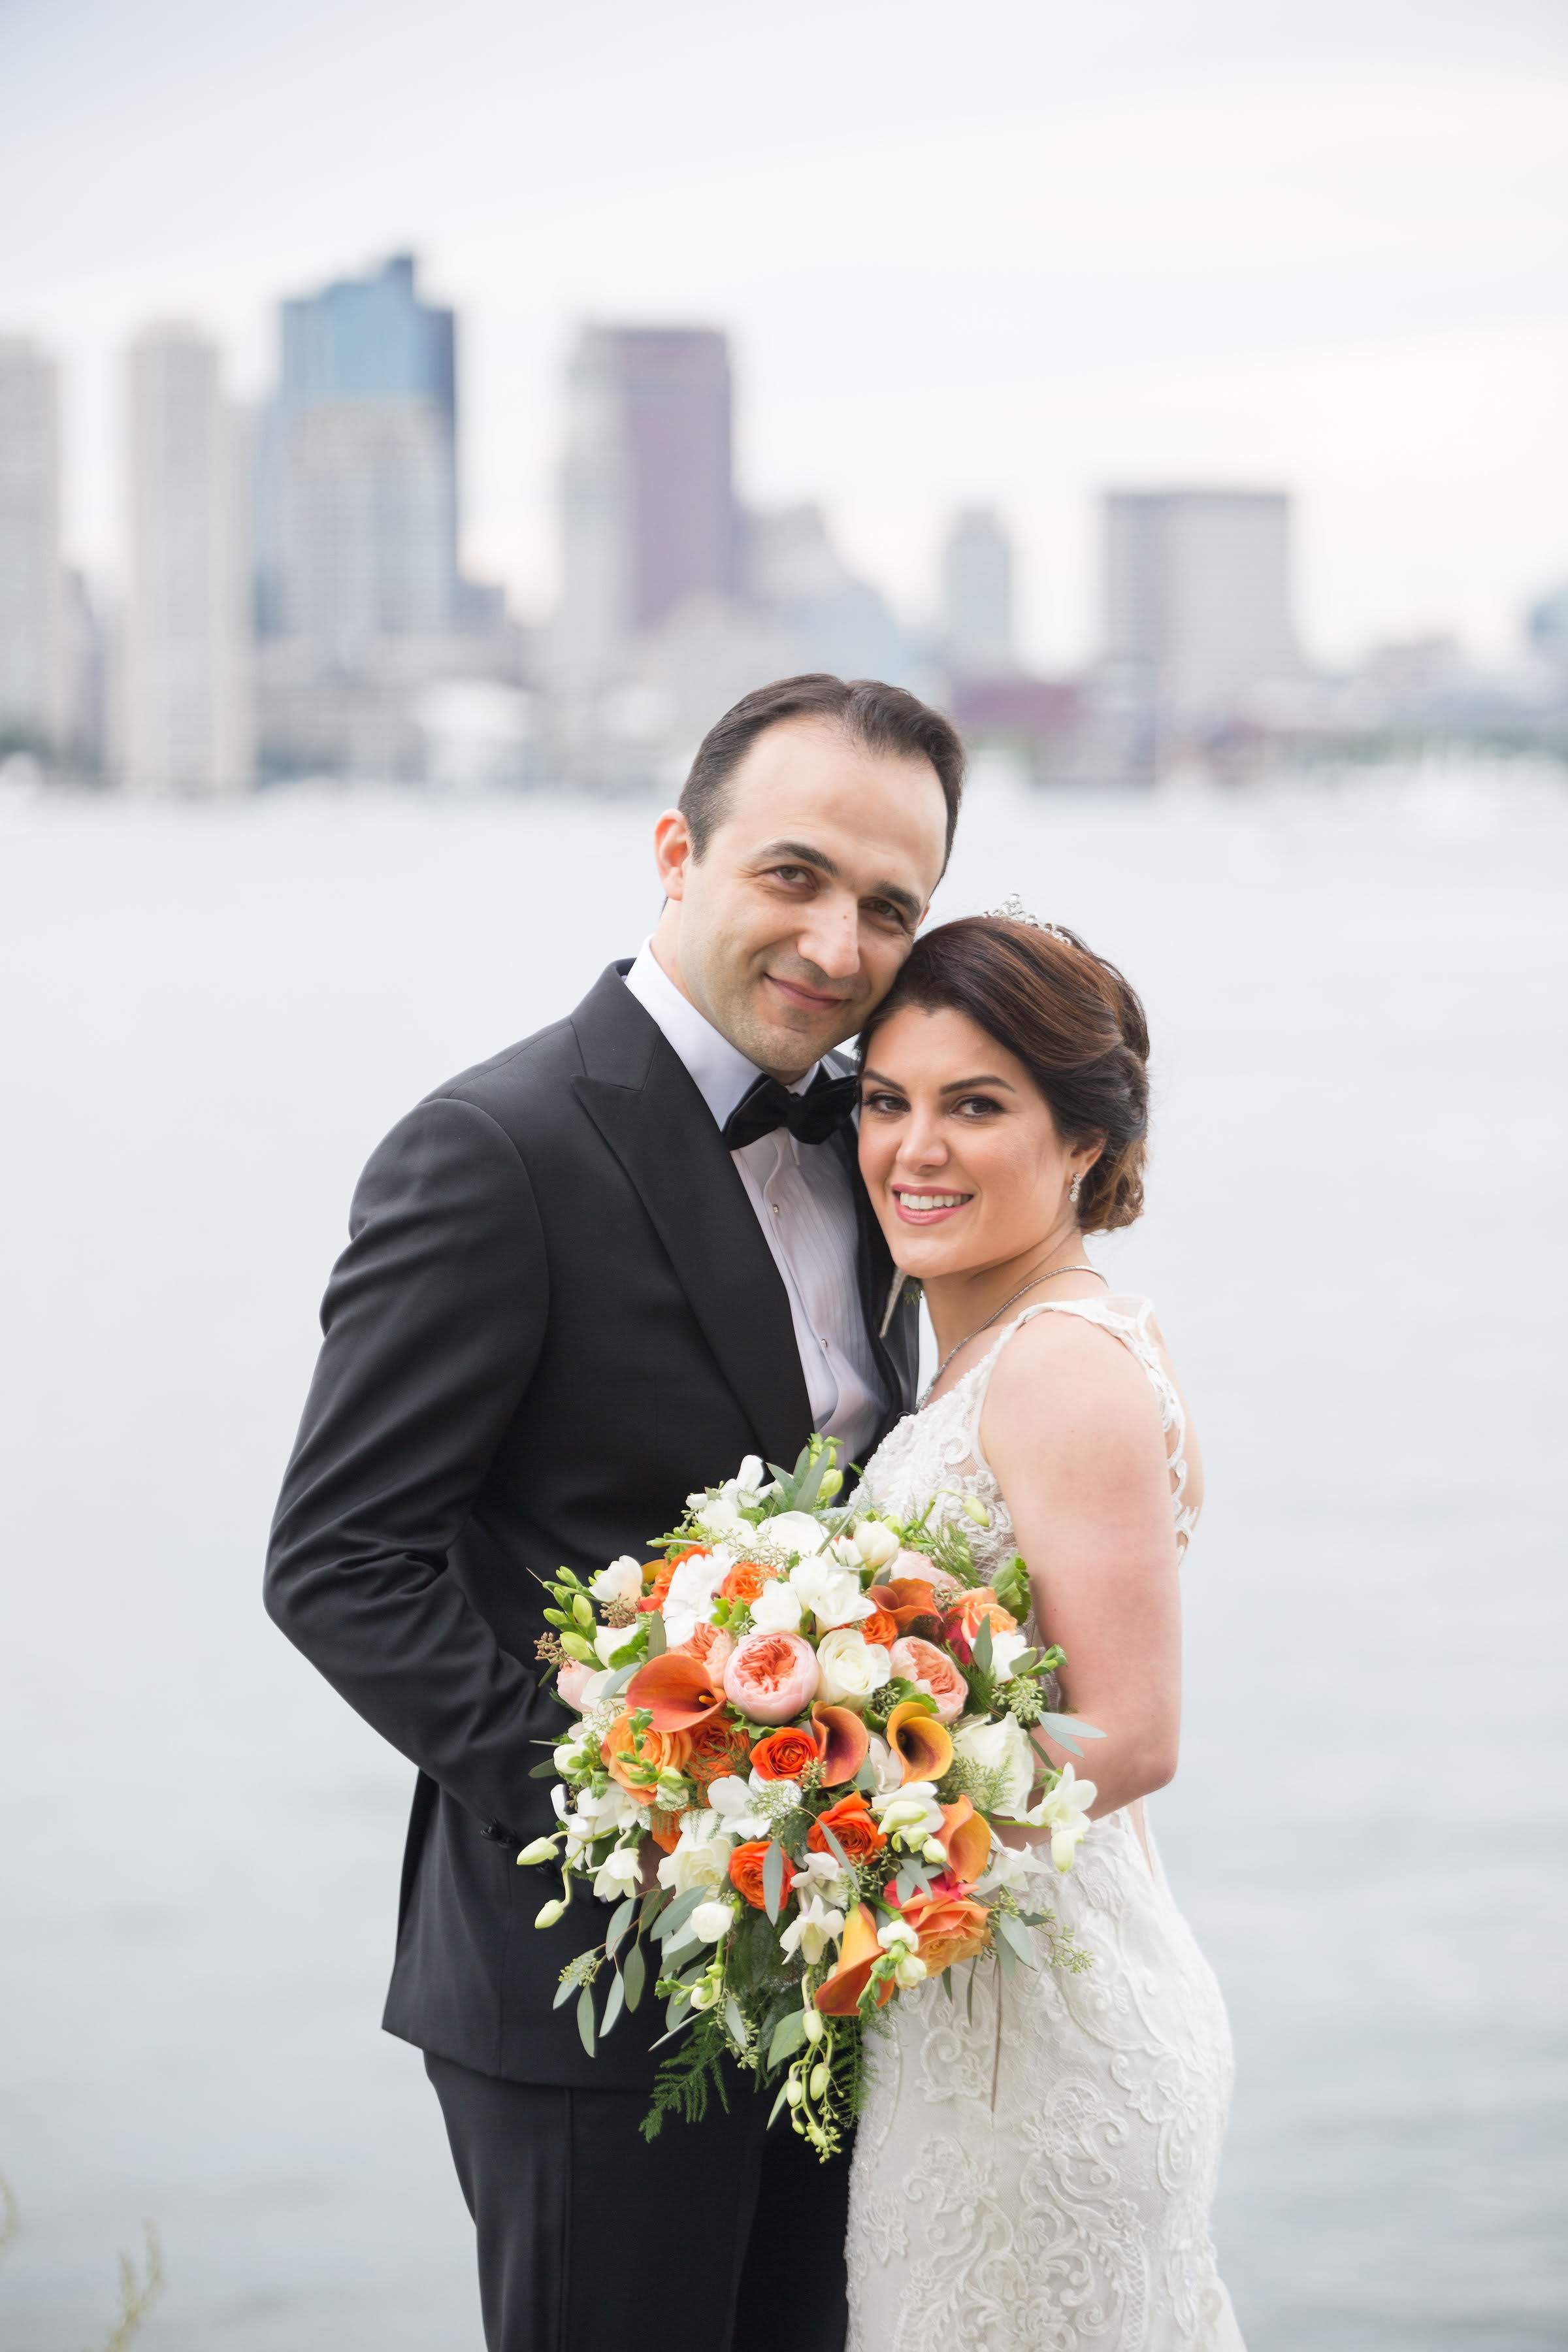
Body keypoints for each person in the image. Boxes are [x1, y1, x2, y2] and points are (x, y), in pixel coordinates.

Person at [262, 674, 960, 2352]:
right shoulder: (492, 1149)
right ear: (676, 853)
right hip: (578, 1980)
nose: (839, 944)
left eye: (889, 908)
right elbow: (340, 1561)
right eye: (793, 875)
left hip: (825, 1967)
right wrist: (636, 1812)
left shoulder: (881, 1141)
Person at [845, 907, 1245, 2351]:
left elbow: (1131, 1736)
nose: (915, 1149)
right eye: (887, 1102)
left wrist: (838, 1810)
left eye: (976, 1106)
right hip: (985, 2024)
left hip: (1045, 2064)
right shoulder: (997, 1349)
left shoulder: (1062, 1367)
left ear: (1083, 1141)